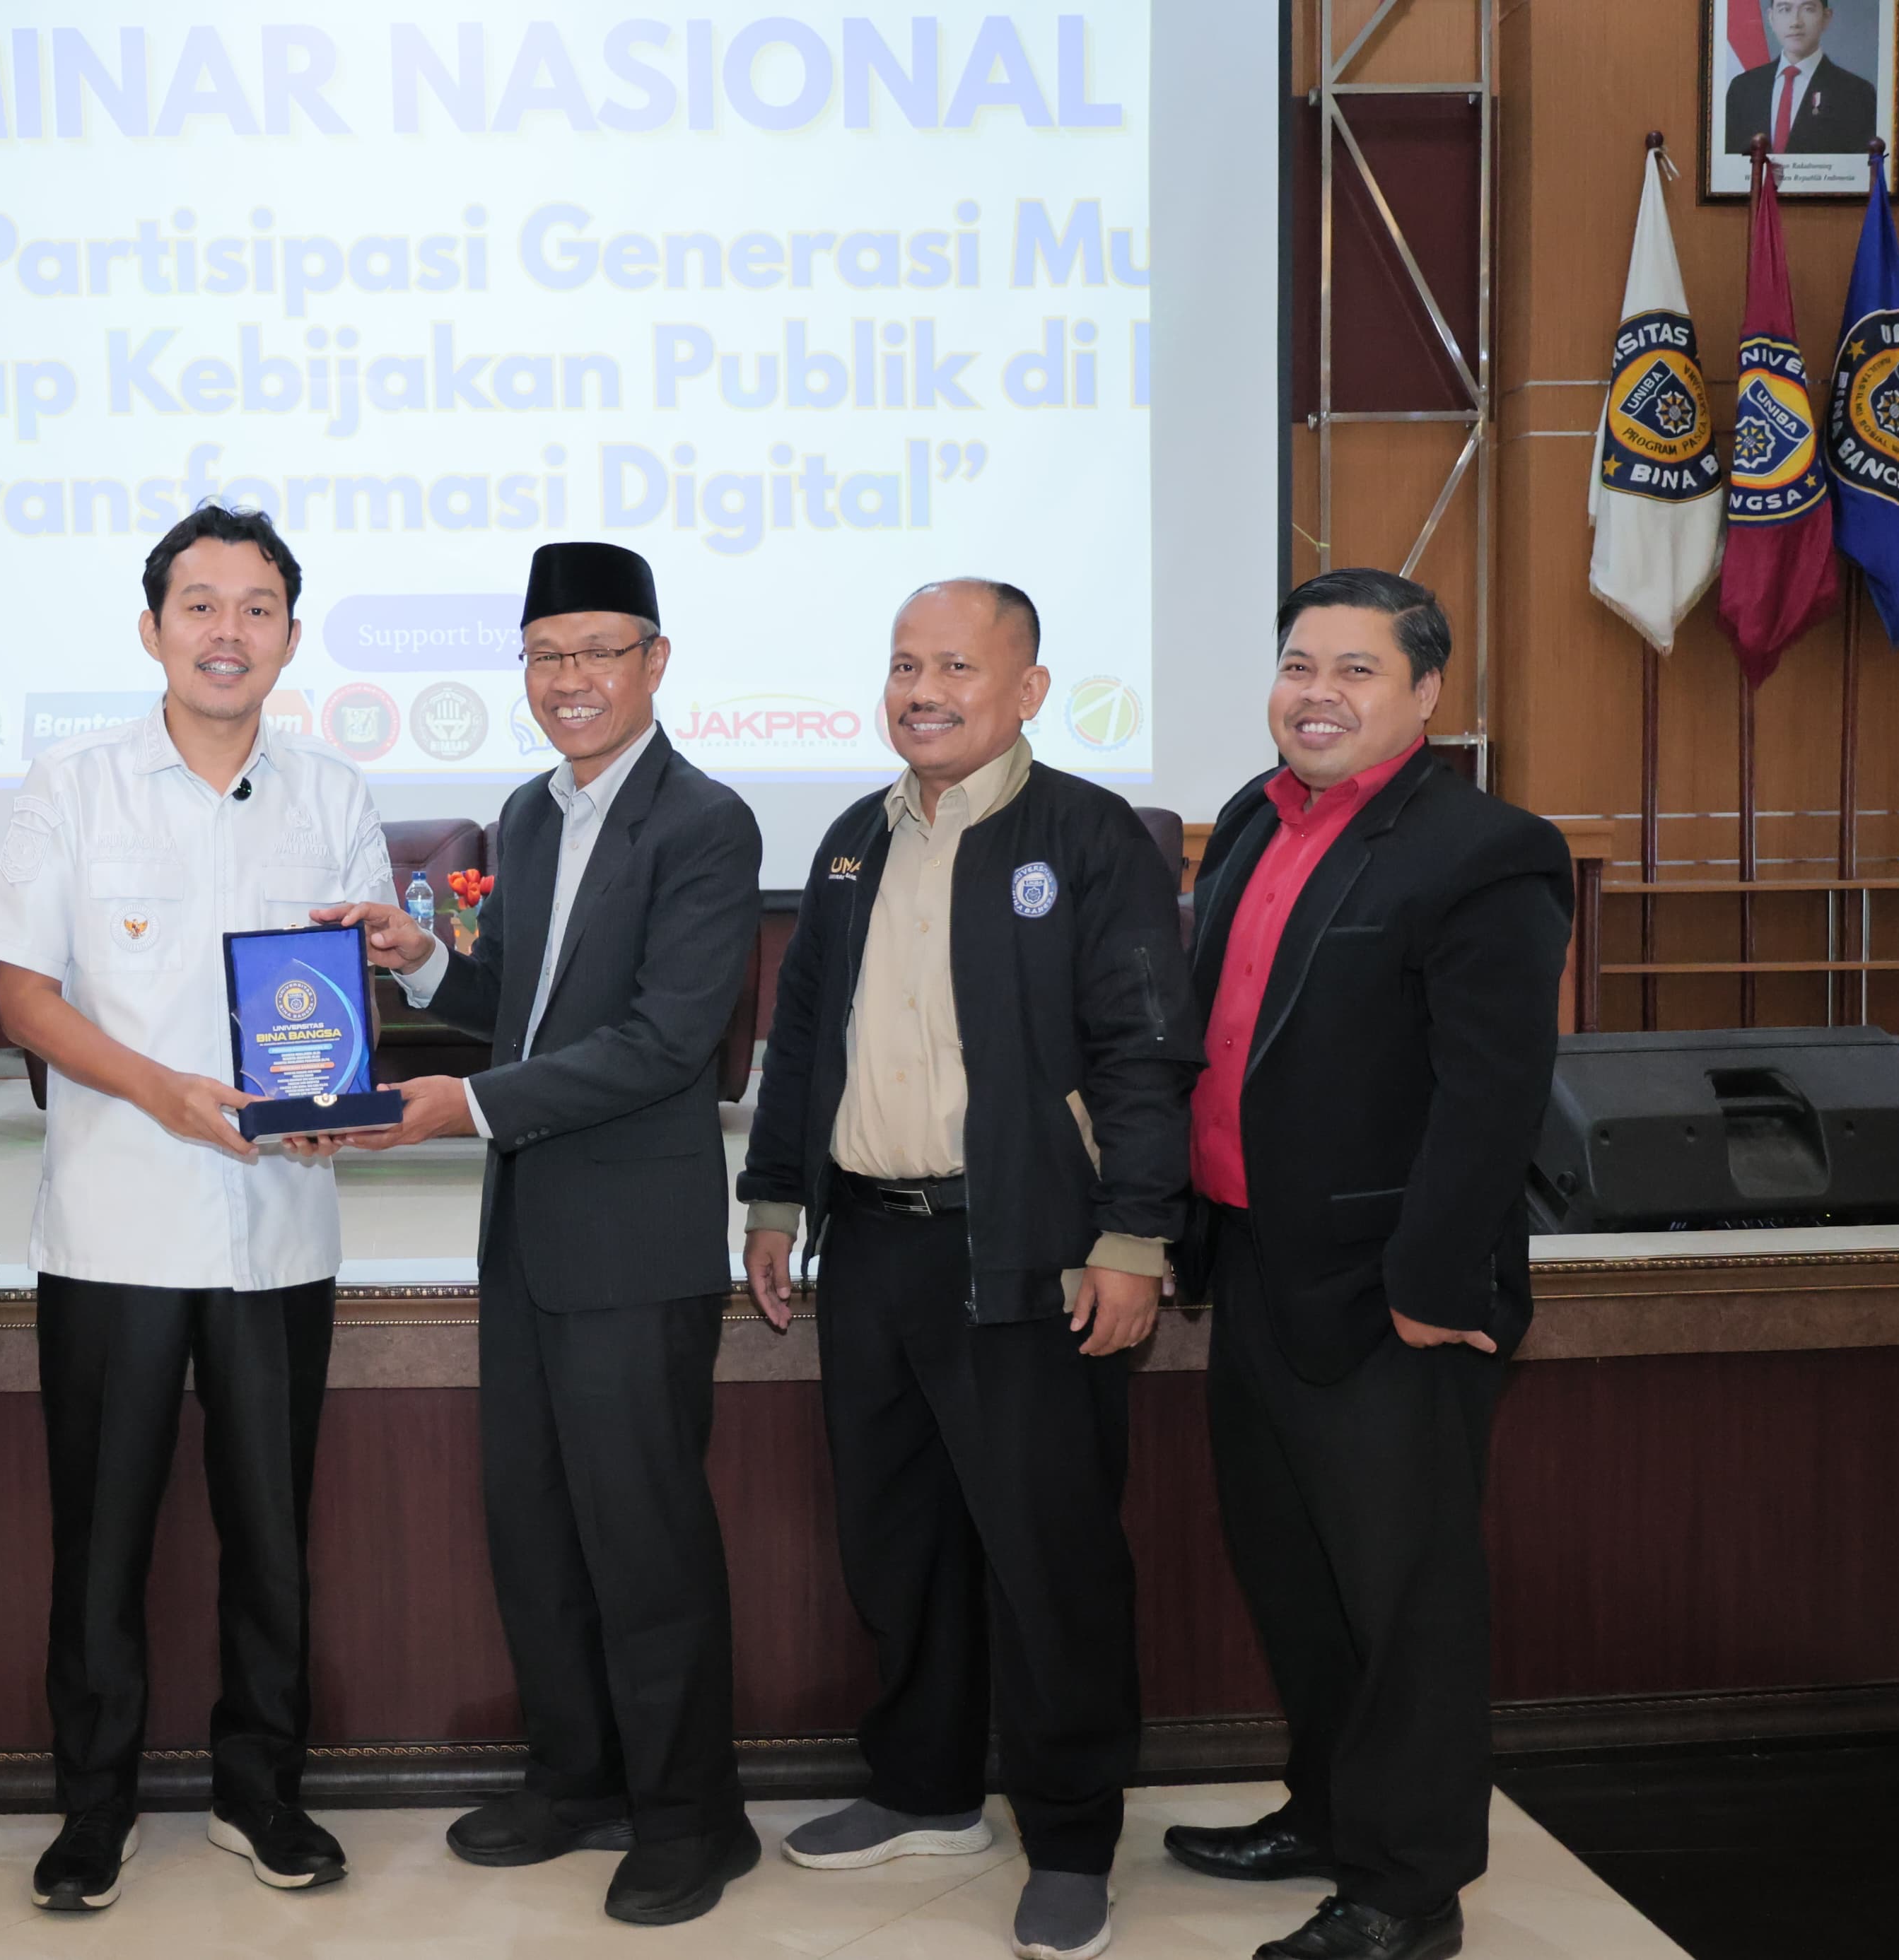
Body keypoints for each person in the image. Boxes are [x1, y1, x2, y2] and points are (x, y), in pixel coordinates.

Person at [737, 579, 1197, 1960]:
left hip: (1032, 1251)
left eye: (953, 665)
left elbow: (1146, 1052)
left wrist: (1132, 1236)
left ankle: (1071, 1837)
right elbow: (800, 1035)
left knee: (1050, 1555)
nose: (921, 691)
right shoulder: (851, 841)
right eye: (902, 665)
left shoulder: (1090, 836)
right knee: (901, 1539)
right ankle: (926, 1789)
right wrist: (773, 1197)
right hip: (874, 1244)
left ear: (1028, 688)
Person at [326, 541, 764, 1927]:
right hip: (526, 1233)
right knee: (538, 1528)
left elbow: (664, 1040)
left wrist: (460, 1104)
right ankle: (578, 1778)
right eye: (545, 654)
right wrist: (425, 961)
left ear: (655, 661)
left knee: (644, 1539)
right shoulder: (525, 814)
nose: (570, 678)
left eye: (598, 651)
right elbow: (522, 999)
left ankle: (691, 1816)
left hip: (634, 1245)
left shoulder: (705, 824)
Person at [0, 503, 395, 1911]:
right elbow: (21, 994)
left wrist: (341, 1086)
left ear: (291, 634)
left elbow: (346, 999)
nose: (228, 630)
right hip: (119, 1226)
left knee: (273, 1534)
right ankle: (92, 1808)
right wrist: (158, 1090)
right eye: (200, 604)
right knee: (102, 1537)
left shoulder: (332, 792)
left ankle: (261, 1791)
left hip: (281, 1230)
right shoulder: (74, 783)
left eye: (257, 607)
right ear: (151, 629)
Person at [1163, 570, 1570, 1960]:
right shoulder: (1249, 817)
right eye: (1298, 664)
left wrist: (1434, 1286)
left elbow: (1491, 1094)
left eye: (1355, 669)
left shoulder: (1486, 850)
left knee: (1406, 1603)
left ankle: (1407, 1888)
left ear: (1425, 694)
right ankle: (1329, 1814)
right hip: (1256, 1264)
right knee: (1295, 1576)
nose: (1316, 693)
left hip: (1394, 1291)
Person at [1721, 0, 1877, 157]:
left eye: (1808, 9)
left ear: (1826, 18)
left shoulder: (1857, 94)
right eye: (1785, 9)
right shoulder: (1742, 88)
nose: (1795, 22)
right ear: (1771, 18)